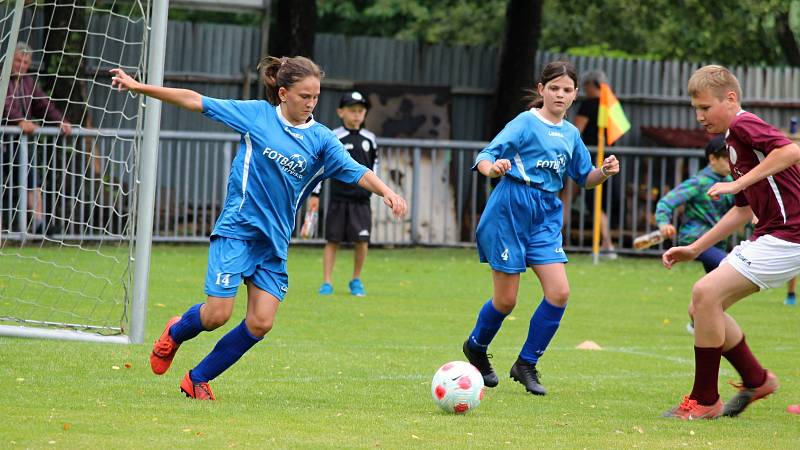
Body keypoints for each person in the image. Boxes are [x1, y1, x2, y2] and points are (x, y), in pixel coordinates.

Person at [110, 55, 406, 400]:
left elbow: (357, 170)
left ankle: (197, 379)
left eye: (316, 97)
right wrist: (138, 86)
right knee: (217, 315)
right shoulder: (256, 116)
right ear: (283, 93)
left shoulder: (322, 139)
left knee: (261, 322)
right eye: (304, 97)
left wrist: (386, 191)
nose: (311, 104)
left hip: (273, 242)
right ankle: (176, 331)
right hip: (237, 230)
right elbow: (194, 100)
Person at [461, 61, 619, 396]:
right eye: (554, 88)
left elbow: (584, 177)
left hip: (547, 213)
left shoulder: (571, 134)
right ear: (541, 90)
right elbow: (486, 155)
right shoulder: (525, 123)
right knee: (506, 302)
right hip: (510, 209)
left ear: (575, 94)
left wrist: (603, 172)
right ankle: (476, 346)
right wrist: (493, 170)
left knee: (559, 292)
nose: (560, 94)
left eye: (567, 90)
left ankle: (526, 363)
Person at [662, 65, 800, 420]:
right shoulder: (732, 140)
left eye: (705, 108)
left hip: (791, 234)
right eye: (696, 109)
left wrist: (737, 184)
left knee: (706, 294)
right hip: (774, 234)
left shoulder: (742, 124)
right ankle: (756, 378)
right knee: (703, 308)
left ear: (730, 99)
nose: (699, 116)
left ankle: (705, 399)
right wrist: (694, 248)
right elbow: (741, 212)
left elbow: (789, 151)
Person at [303, 91, 378, 297]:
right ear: (340, 112)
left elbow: (375, 167)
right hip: (338, 199)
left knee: (362, 241)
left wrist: (378, 192)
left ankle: (356, 280)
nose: (356, 115)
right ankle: (326, 282)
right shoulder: (333, 136)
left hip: (361, 201)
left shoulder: (370, 139)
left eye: (360, 111)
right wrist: (315, 195)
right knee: (332, 240)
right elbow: (321, 167)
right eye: (352, 111)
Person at [2, 42, 72, 235]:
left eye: (25, 62)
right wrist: (19, 121)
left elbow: (43, 104)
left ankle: (39, 223)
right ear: (9, 60)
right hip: (4, 140)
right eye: (18, 60)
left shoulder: (28, 82)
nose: (21, 65)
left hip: (17, 144)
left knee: (33, 181)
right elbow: (4, 104)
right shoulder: (2, 78)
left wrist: (60, 121)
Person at [560, 70, 616, 258]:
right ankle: (608, 245)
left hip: (587, 158)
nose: (584, 90)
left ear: (593, 85)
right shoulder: (612, 104)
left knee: (568, 197)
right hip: (608, 158)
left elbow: (575, 131)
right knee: (598, 204)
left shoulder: (589, 105)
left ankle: (553, 239)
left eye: (585, 87)